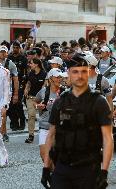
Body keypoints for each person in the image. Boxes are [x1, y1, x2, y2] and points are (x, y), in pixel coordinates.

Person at [41, 53, 114, 189]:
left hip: (89, 168)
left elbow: (107, 138)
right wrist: (46, 167)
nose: (79, 76)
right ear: (69, 74)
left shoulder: (99, 102)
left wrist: (104, 171)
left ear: (88, 73)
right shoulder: (60, 102)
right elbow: (51, 136)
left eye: (83, 72)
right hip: (62, 168)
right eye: (75, 72)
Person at [35, 68, 64, 162]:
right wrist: (37, 106)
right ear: (51, 78)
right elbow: (35, 101)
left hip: (60, 129)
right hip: (45, 127)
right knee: (44, 156)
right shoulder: (44, 91)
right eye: (57, 77)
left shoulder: (65, 92)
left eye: (61, 77)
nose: (59, 79)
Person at [0, 45, 19, 143]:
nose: (2, 53)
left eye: (4, 52)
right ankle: (0, 132)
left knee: (3, 113)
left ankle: (4, 133)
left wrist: (16, 94)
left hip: (6, 92)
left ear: (7, 53)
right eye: (1, 51)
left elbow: (15, 80)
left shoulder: (10, 64)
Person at [24, 58, 47, 143]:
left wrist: (42, 98)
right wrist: (26, 89)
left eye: (32, 63)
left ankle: (43, 133)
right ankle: (31, 135)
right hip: (31, 97)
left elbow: (44, 86)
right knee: (31, 115)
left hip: (41, 98)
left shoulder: (44, 74)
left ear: (36, 64)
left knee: (43, 117)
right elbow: (29, 82)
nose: (30, 65)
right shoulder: (31, 73)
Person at [7, 41, 28, 131]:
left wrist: (25, 85)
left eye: (17, 47)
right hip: (10, 83)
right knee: (11, 105)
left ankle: (22, 122)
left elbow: (25, 72)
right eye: (14, 47)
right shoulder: (9, 58)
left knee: (18, 104)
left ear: (19, 48)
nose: (15, 49)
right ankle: (14, 123)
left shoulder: (23, 58)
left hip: (20, 83)